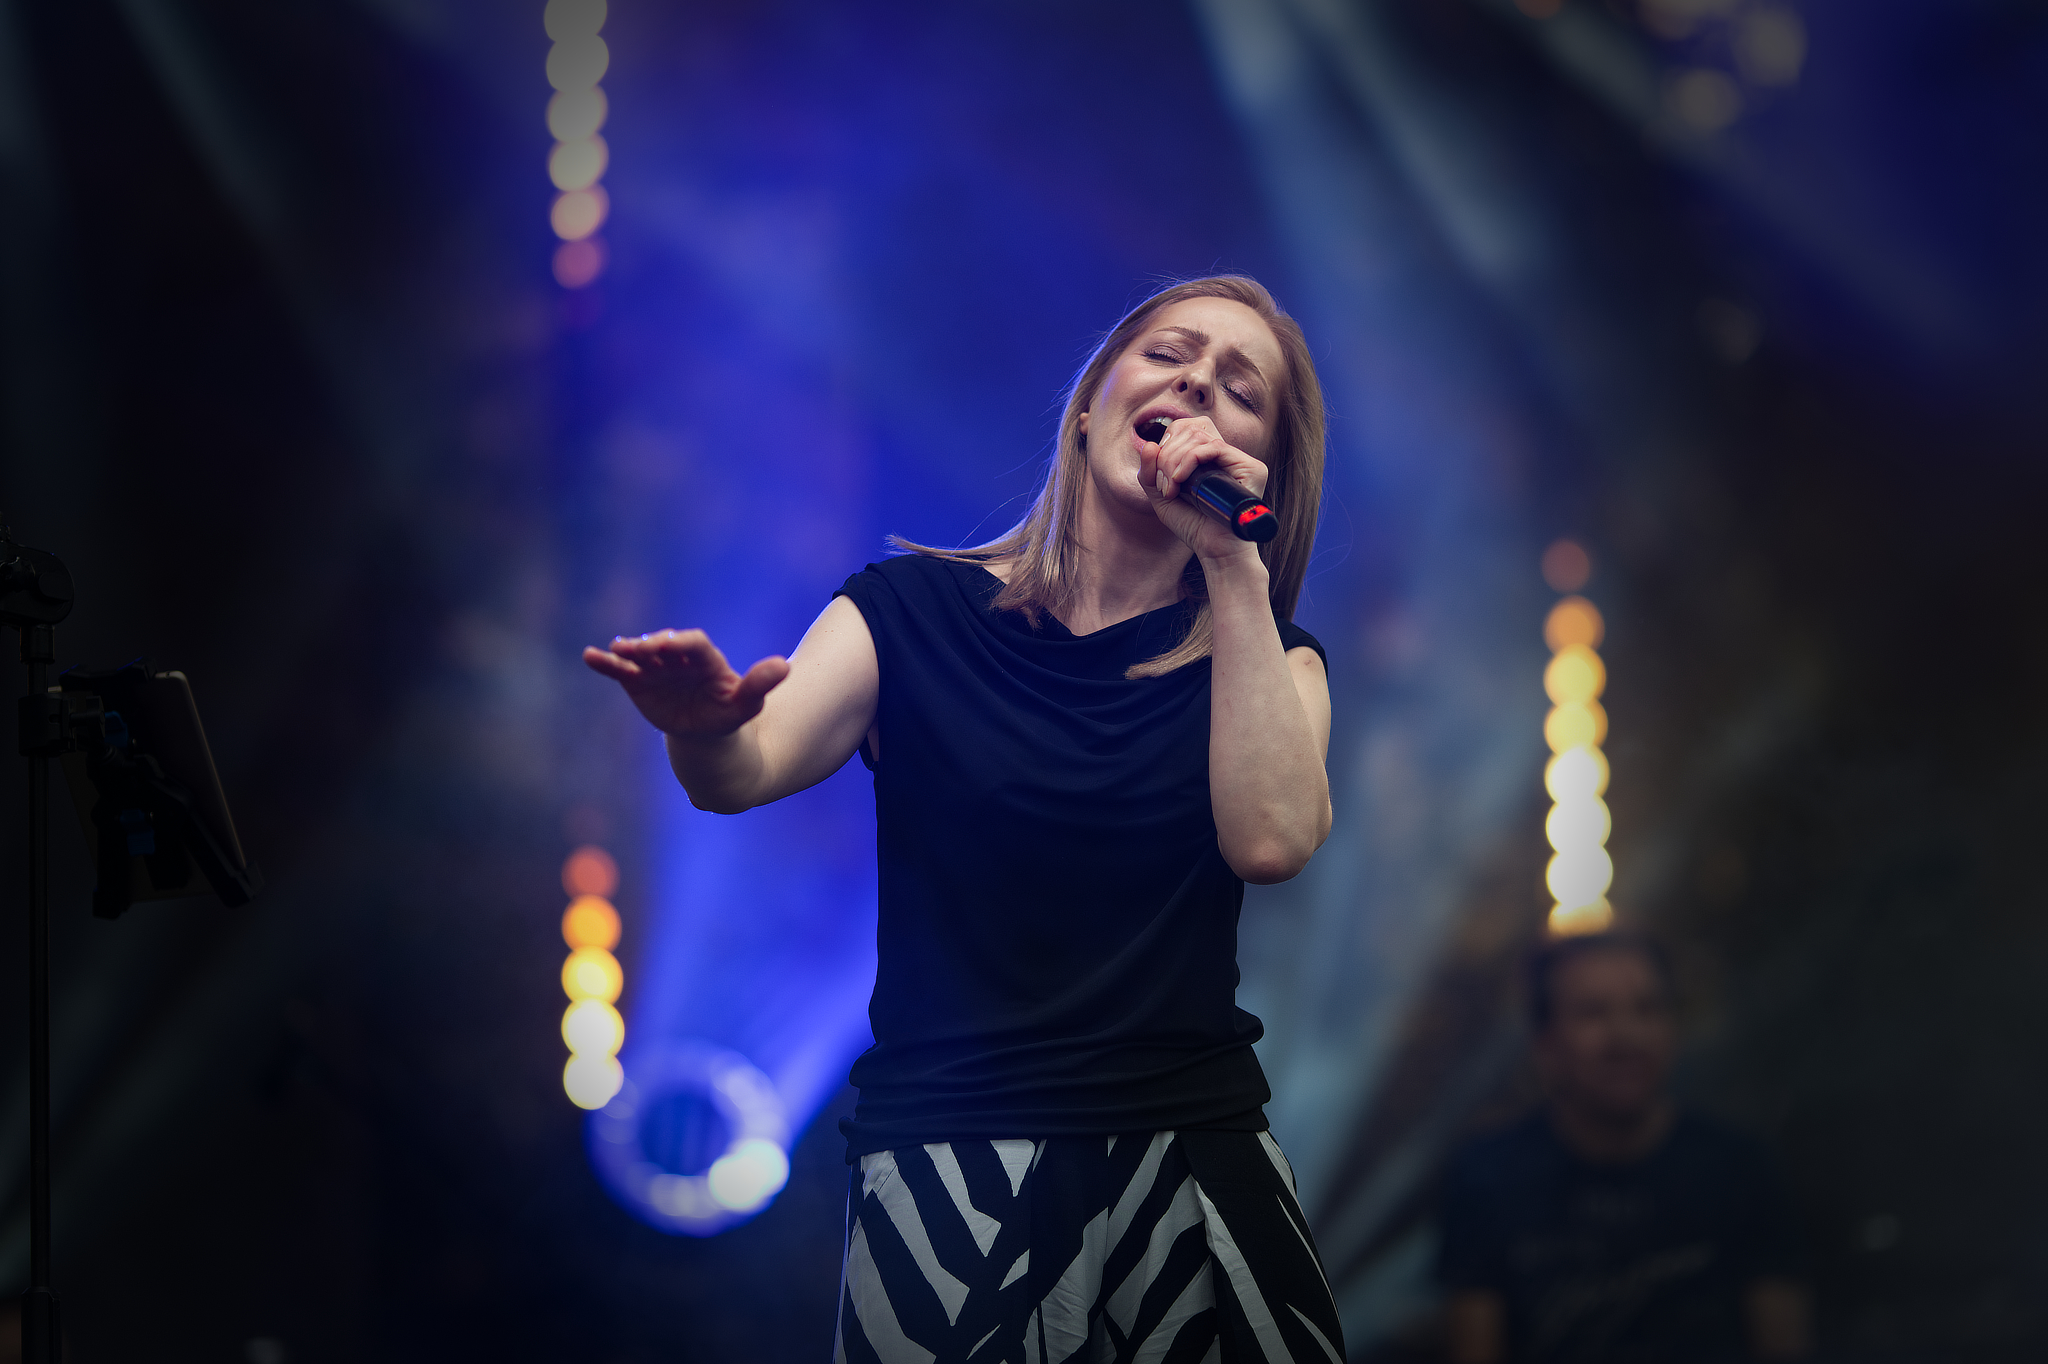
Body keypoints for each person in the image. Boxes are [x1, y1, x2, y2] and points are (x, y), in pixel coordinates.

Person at [585, 276, 1346, 1362]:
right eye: (1169, 355)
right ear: (1090, 404)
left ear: (1262, 459)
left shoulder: (1273, 663)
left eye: (1238, 390)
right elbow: (743, 770)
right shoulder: (905, 612)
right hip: (950, 1155)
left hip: (1191, 1154)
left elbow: (1270, 842)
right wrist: (702, 729)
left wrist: (1231, 562)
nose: (1194, 387)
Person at [1437, 933, 1812, 1364]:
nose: (1625, 1036)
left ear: (1674, 1028)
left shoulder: (1740, 1168)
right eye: (1593, 1013)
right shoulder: (1487, 1177)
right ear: (1546, 1043)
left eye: (1647, 1009)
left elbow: (1782, 1344)